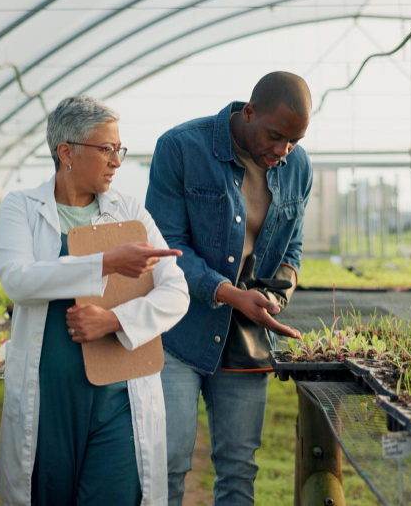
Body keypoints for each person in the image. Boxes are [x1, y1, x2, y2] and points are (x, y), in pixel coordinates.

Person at [0, 95, 191, 506]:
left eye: (119, 149)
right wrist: (106, 262)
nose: (116, 161)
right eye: (106, 149)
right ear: (66, 152)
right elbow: (18, 280)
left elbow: (176, 292)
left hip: (118, 395)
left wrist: (114, 320)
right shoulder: (21, 208)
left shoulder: (131, 212)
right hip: (49, 397)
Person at [144, 72, 313, 505]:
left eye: (292, 141)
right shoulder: (181, 148)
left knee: (239, 470)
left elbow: (292, 248)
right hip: (178, 333)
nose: (282, 151)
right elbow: (169, 246)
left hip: (245, 337)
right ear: (249, 111)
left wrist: (280, 294)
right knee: (168, 464)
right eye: (275, 136)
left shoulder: (298, 167)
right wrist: (232, 294)